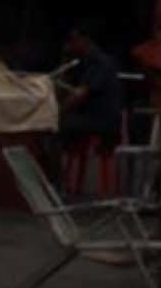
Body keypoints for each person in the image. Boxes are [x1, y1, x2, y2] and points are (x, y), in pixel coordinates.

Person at [53, 25, 126, 196]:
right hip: (89, 117)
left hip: (102, 121)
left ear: (85, 40)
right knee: (59, 126)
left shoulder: (100, 62)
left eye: (73, 41)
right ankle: (61, 182)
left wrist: (57, 113)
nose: (70, 45)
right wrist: (64, 61)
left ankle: (57, 183)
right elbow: (65, 89)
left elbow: (80, 95)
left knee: (52, 130)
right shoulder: (81, 63)